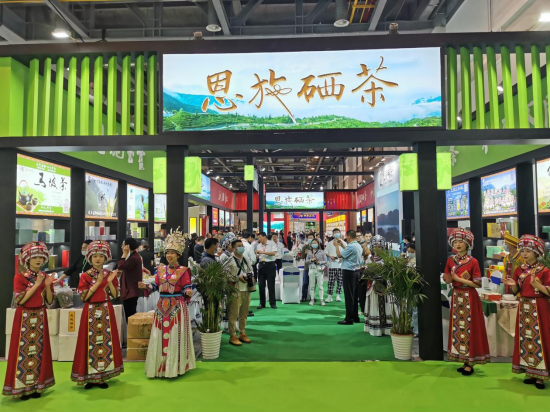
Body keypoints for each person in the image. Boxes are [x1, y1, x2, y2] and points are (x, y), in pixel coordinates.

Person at [139, 229, 196, 378]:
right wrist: (146, 286)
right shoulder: (160, 270)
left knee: (175, 334)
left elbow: (186, 287)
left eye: (172, 253)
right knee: (160, 334)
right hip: (161, 306)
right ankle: (161, 366)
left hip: (177, 307)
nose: (169, 255)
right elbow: (155, 286)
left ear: (178, 255)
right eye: (168, 252)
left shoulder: (184, 271)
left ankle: (175, 367)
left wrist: (188, 291)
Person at [3, 242, 55, 400]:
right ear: (27, 260)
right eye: (34, 257)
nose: (38, 260)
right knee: (22, 352)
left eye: (41, 257)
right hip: (24, 316)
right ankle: (21, 387)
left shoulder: (45, 277)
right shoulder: (19, 277)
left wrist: (47, 286)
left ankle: (36, 386)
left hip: (40, 315)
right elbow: (20, 300)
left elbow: (50, 301)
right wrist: (38, 284)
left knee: (39, 351)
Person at [71, 241, 123, 390]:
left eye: (101, 256)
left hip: (106, 309)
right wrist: (99, 282)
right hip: (90, 311)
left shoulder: (110, 274)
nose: (98, 259)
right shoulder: (85, 276)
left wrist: (110, 282)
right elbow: (84, 297)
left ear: (106, 258)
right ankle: (90, 377)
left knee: (106, 343)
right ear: (90, 258)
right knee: (89, 343)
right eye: (95, 256)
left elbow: (115, 295)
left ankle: (102, 376)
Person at [502, 235, 550, 390]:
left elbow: (548, 292)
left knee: (540, 338)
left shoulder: (544, 270)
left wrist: (537, 285)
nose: (524, 253)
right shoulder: (519, 270)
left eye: (528, 251)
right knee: (526, 338)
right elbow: (517, 291)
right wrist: (513, 284)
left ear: (536, 252)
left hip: (540, 306)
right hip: (524, 306)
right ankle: (530, 372)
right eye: (522, 251)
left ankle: (540, 376)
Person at [443, 229, 490, 376]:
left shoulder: (473, 261)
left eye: (461, 242)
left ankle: (470, 362)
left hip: (470, 296)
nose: (458, 244)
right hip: (457, 296)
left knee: (471, 328)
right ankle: (463, 360)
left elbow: (477, 283)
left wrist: (458, 279)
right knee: (459, 328)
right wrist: (448, 279)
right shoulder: (451, 260)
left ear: (467, 244)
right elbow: (448, 278)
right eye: (455, 242)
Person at [226, 239, 254, 347]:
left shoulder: (246, 258)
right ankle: (233, 335)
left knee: (244, 313)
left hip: (246, 289)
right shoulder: (229, 260)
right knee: (233, 314)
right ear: (233, 248)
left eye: (242, 245)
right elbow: (225, 275)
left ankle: (242, 332)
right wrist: (237, 278)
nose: (241, 247)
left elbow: (250, 270)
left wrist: (250, 276)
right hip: (235, 290)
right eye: (239, 245)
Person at [364, 235, 393, 336]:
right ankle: (375, 329)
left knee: (386, 306)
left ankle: (386, 329)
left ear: (383, 247)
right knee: (374, 305)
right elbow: (366, 272)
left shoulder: (387, 259)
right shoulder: (369, 258)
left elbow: (391, 272)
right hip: (373, 286)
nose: (377, 249)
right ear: (372, 247)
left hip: (385, 286)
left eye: (379, 247)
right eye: (375, 246)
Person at [335, 231, 363, 325]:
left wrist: (336, 246)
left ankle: (349, 319)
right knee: (354, 295)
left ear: (349, 236)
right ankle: (355, 316)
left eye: (346, 236)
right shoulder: (358, 245)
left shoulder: (351, 246)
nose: (346, 238)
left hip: (349, 272)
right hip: (356, 271)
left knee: (349, 296)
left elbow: (339, 255)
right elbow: (348, 252)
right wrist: (342, 245)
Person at [117, 238, 143, 322]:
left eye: (123, 245)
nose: (122, 247)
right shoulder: (133, 256)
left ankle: (132, 329)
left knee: (130, 314)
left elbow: (120, 266)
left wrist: (124, 254)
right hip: (130, 289)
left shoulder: (134, 258)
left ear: (127, 246)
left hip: (131, 290)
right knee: (129, 313)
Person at [256, 232, 278, 310]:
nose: (259, 239)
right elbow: (258, 255)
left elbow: (273, 253)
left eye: (260, 237)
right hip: (261, 265)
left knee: (271, 285)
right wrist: (256, 254)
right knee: (261, 285)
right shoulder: (258, 245)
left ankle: (273, 303)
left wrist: (262, 252)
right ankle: (262, 303)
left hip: (270, 265)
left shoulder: (271, 243)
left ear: (264, 237)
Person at [325, 229, 346, 303]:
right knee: (331, 281)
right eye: (335, 232)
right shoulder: (329, 243)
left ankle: (338, 295)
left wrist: (342, 258)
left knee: (340, 281)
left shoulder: (343, 243)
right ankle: (329, 296)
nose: (336, 233)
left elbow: (346, 252)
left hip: (341, 265)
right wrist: (330, 256)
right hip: (332, 264)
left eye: (338, 232)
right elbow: (325, 252)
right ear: (333, 234)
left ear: (340, 233)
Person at [306, 240, 328, 306]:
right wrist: (311, 260)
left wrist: (319, 262)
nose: (314, 244)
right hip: (312, 269)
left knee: (320, 286)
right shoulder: (309, 252)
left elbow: (326, 261)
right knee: (312, 285)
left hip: (319, 269)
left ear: (318, 244)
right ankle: (312, 299)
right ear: (311, 244)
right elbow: (306, 261)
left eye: (315, 243)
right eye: (313, 243)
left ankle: (321, 300)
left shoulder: (322, 252)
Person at [301, 234, 315, 302]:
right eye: (309, 238)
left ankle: (312, 297)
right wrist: (305, 253)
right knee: (305, 283)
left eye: (311, 238)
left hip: (314, 267)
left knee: (313, 283)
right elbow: (302, 257)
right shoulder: (305, 247)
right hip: (307, 267)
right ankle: (304, 296)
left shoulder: (316, 247)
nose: (310, 239)